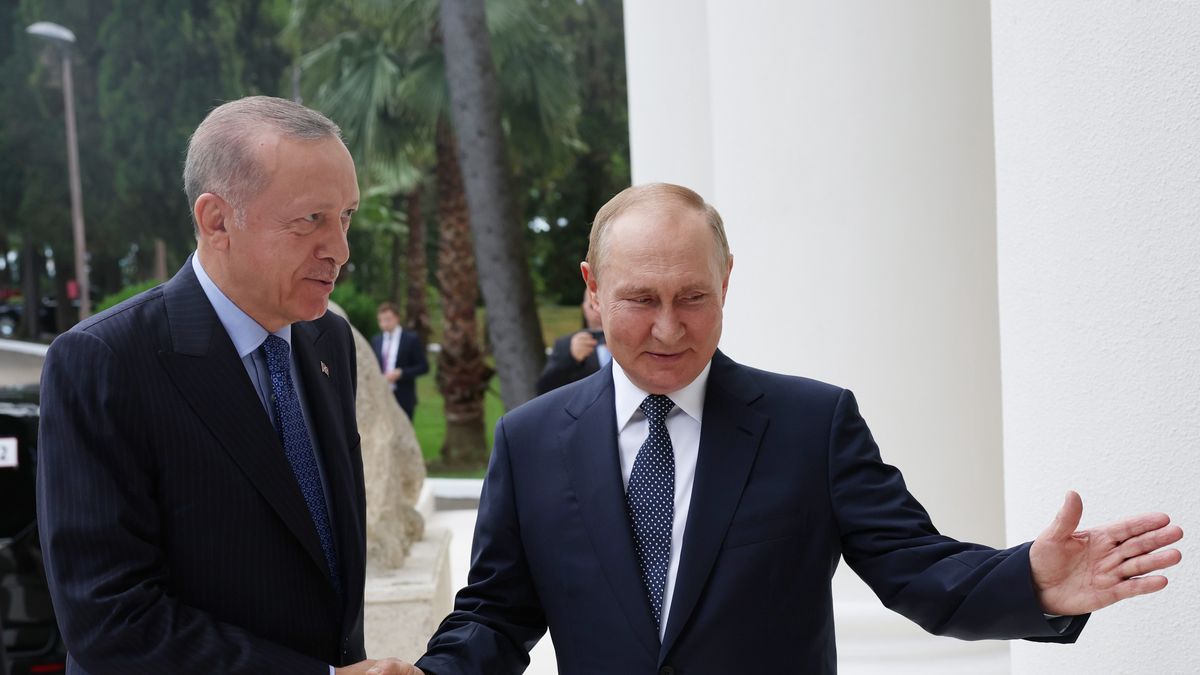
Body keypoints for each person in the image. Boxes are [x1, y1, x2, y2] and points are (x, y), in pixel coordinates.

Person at [413, 183, 1184, 674]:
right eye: (641, 299)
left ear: (728, 282)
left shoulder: (813, 425)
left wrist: (1034, 583)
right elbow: (497, 615)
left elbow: (918, 569)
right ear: (592, 289)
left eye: (693, 297)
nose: (669, 328)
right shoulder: (529, 440)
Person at [37, 96, 412, 675]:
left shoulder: (326, 341)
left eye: (346, 217)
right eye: (310, 219)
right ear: (216, 221)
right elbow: (110, 621)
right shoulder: (105, 361)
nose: (339, 249)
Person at [535, 290, 609, 394]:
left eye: (605, 305)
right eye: (592, 306)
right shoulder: (566, 344)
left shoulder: (632, 340)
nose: (598, 311)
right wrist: (571, 359)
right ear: (584, 309)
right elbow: (545, 389)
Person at [371, 302, 429, 418]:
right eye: (381, 320)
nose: (384, 323)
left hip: (404, 396)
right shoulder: (376, 340)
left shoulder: (411, 339)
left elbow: (423, 367)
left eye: (388, 319)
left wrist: (401, 373)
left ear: (397, 318)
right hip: (382, 395)